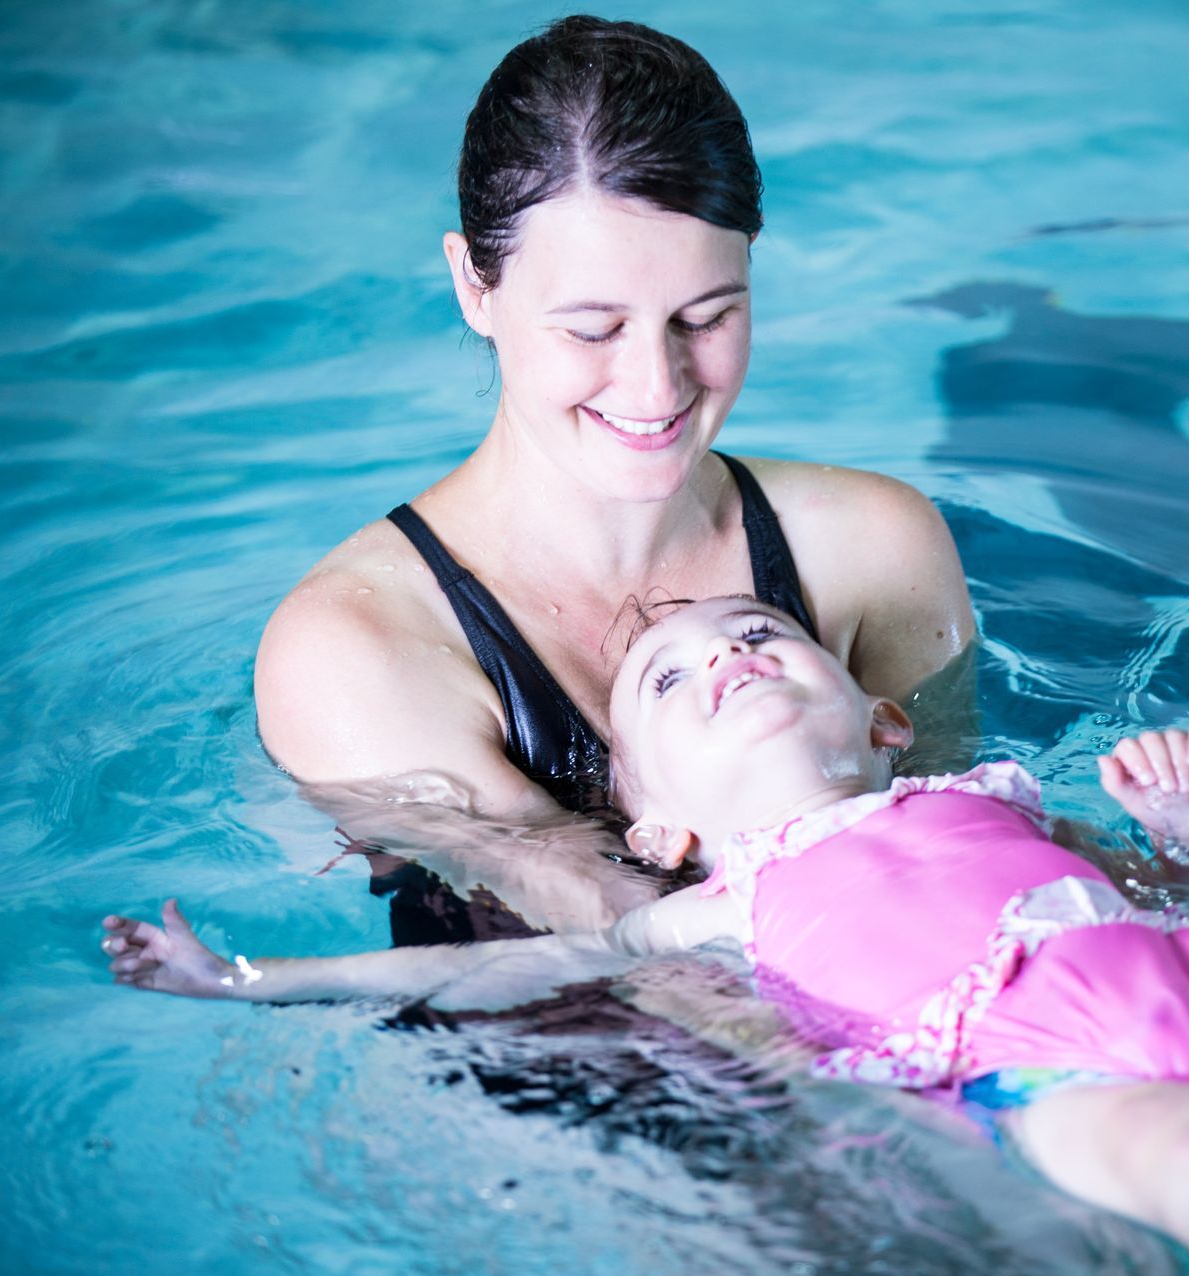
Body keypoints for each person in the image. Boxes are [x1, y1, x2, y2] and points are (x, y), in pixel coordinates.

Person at [107, 599, 1189, 1276]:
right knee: (1176, 1138)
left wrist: (1187, 838)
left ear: (877, 725)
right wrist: (252, 979)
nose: (726, 651)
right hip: (1030, 1093)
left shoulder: (1000, 798)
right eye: (670, 677)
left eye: (759, 631)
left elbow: (1181, 918)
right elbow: (484, 970)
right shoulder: (710, 908)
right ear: (658, 826)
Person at [252, 16, 974, 939]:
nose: (656, 386)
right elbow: (620, 952)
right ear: (475, 287)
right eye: (593, 330)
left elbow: (971, 853)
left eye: (705, 315)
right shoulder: (354, 651)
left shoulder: (876, 550)